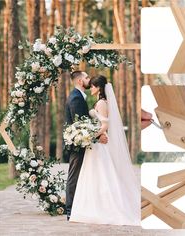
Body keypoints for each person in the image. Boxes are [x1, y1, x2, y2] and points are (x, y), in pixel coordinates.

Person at [69, 75, 140, 226]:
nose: (91, 89)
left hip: (100, 144)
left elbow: (105, 124)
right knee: (94, 174)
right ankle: (93, 205)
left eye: (94, 86)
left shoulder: (101, 103)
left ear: (99, 88)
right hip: (96, 144)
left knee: (102, 175)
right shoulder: (100, 101)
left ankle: (103, 207)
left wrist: (91, 135)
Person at [65, 71, 108, 221]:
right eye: (86, 77)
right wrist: (99, 135)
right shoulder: (76, 98)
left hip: (86, 143)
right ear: (79, 81)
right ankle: (70, 210)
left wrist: (98, 134)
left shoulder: (81, 97)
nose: (89, 80)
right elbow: (80, 126)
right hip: (78, 145)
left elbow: (86, 124)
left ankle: (81, 207)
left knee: (86, 176)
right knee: (75, 177)